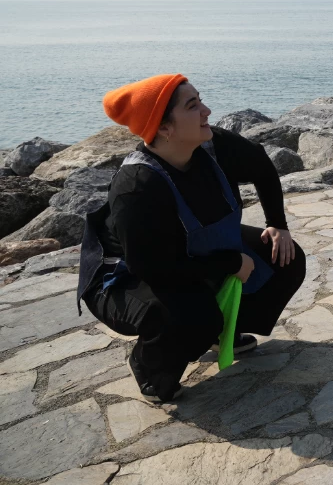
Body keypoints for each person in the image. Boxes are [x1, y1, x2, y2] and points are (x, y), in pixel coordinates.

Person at [77, 74, 306, 402]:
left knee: (285, 259)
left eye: (200, 100)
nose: (207, 111)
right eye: (193, 105)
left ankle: (220, 334)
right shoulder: (137, 186)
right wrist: (230, 262)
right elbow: (152, 267)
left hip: (188, 254)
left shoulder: (212, 147)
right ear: (164, 127)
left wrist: (278, 224)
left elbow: (261, 165)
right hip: (124, 277)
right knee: (192, 315)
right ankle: (148, 364)